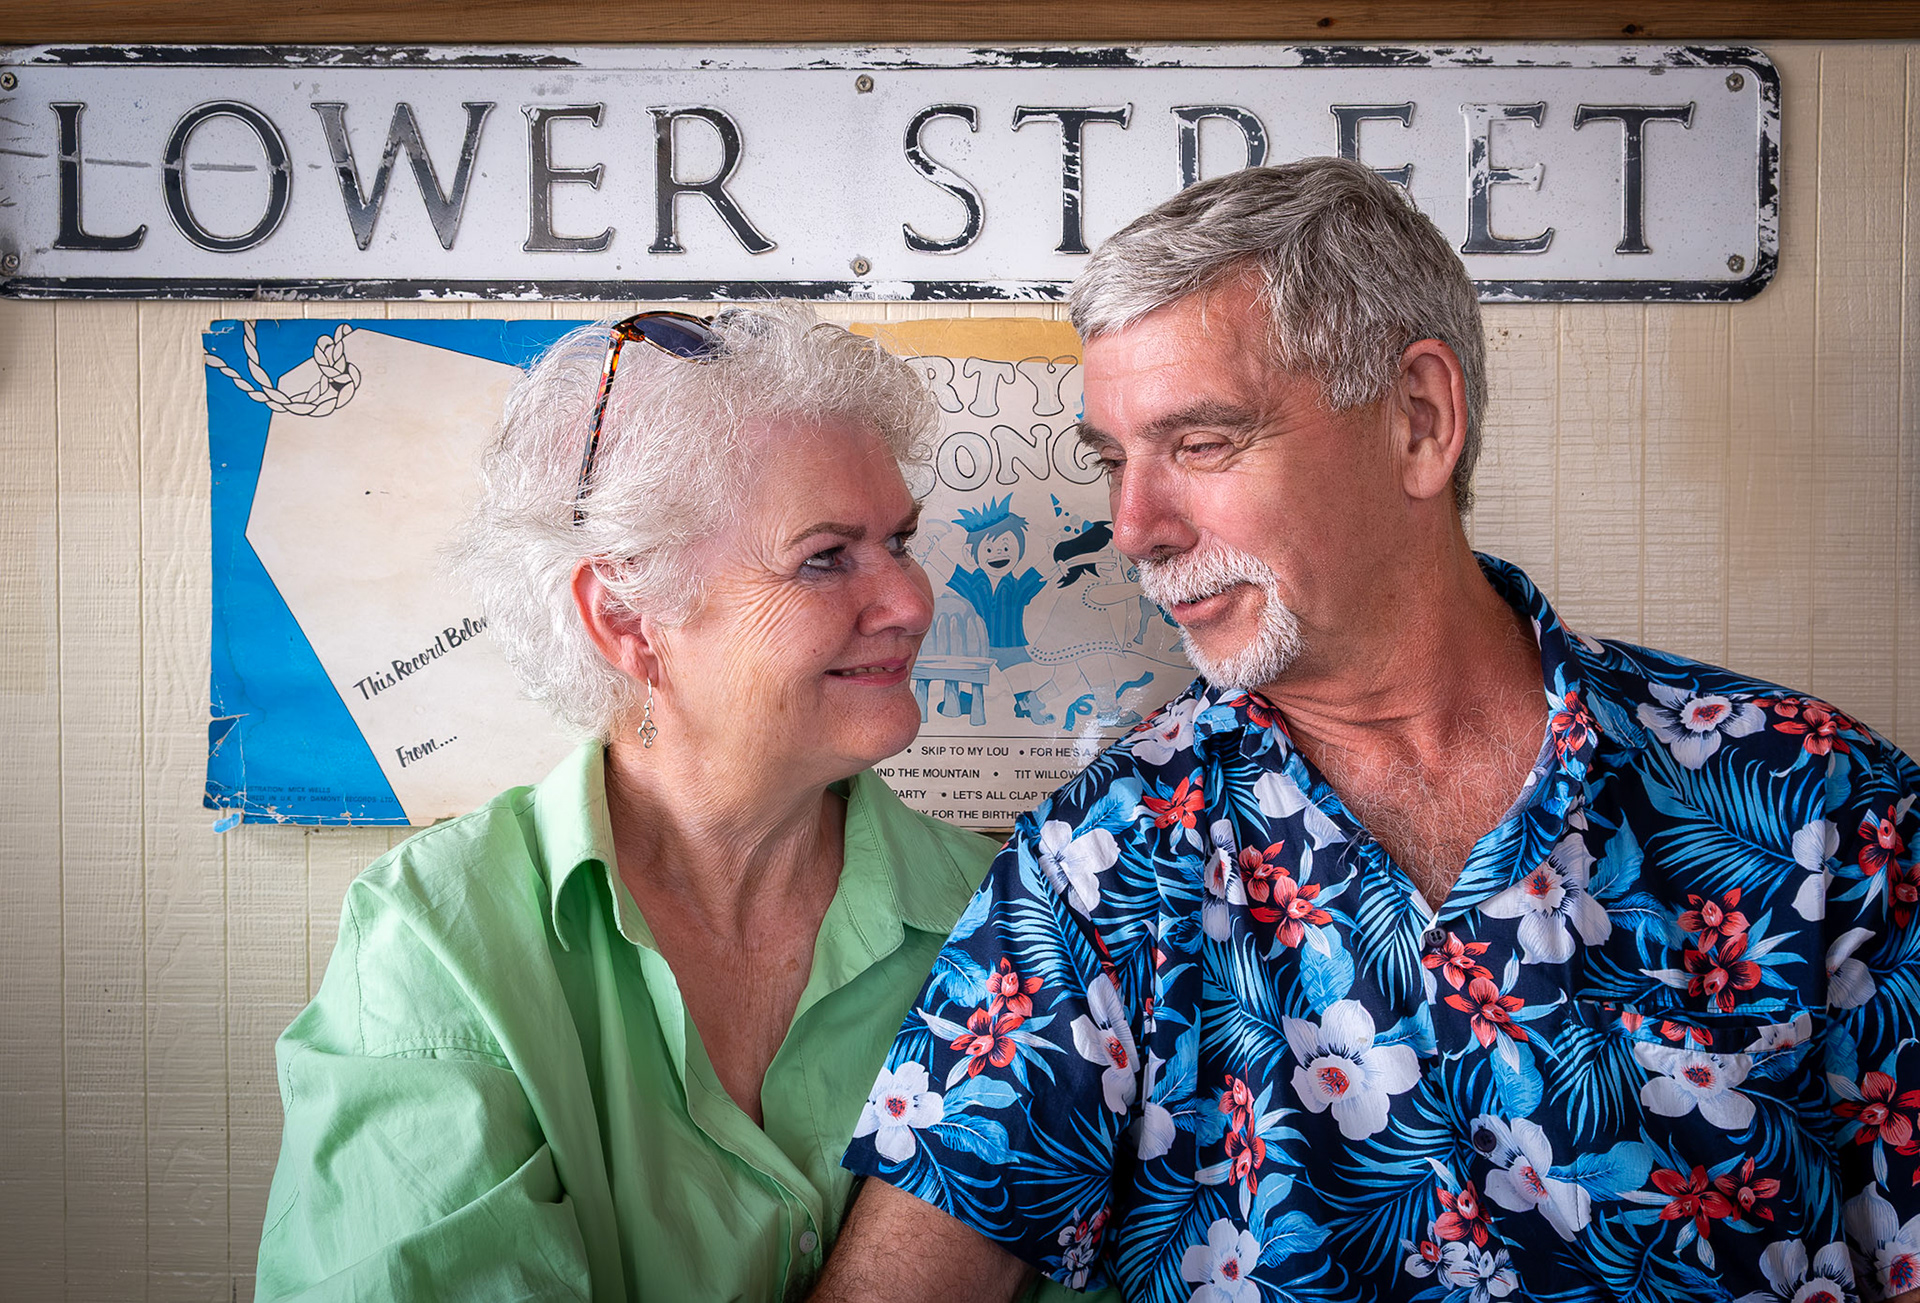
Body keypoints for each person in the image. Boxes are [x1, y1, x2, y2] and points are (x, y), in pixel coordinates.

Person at [818, 159, 1920, 1303]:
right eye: (1115, 459)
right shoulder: (1095, 867)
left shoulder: (1820, 805)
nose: (1134, 526)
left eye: (1200, 443)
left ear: (1418, 421)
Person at [253, 307, 1100, 1302]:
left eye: (900, 541)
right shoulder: (440, 941)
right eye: (826, 556)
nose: (913, 602)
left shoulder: (1019, 919)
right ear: (625, 619)